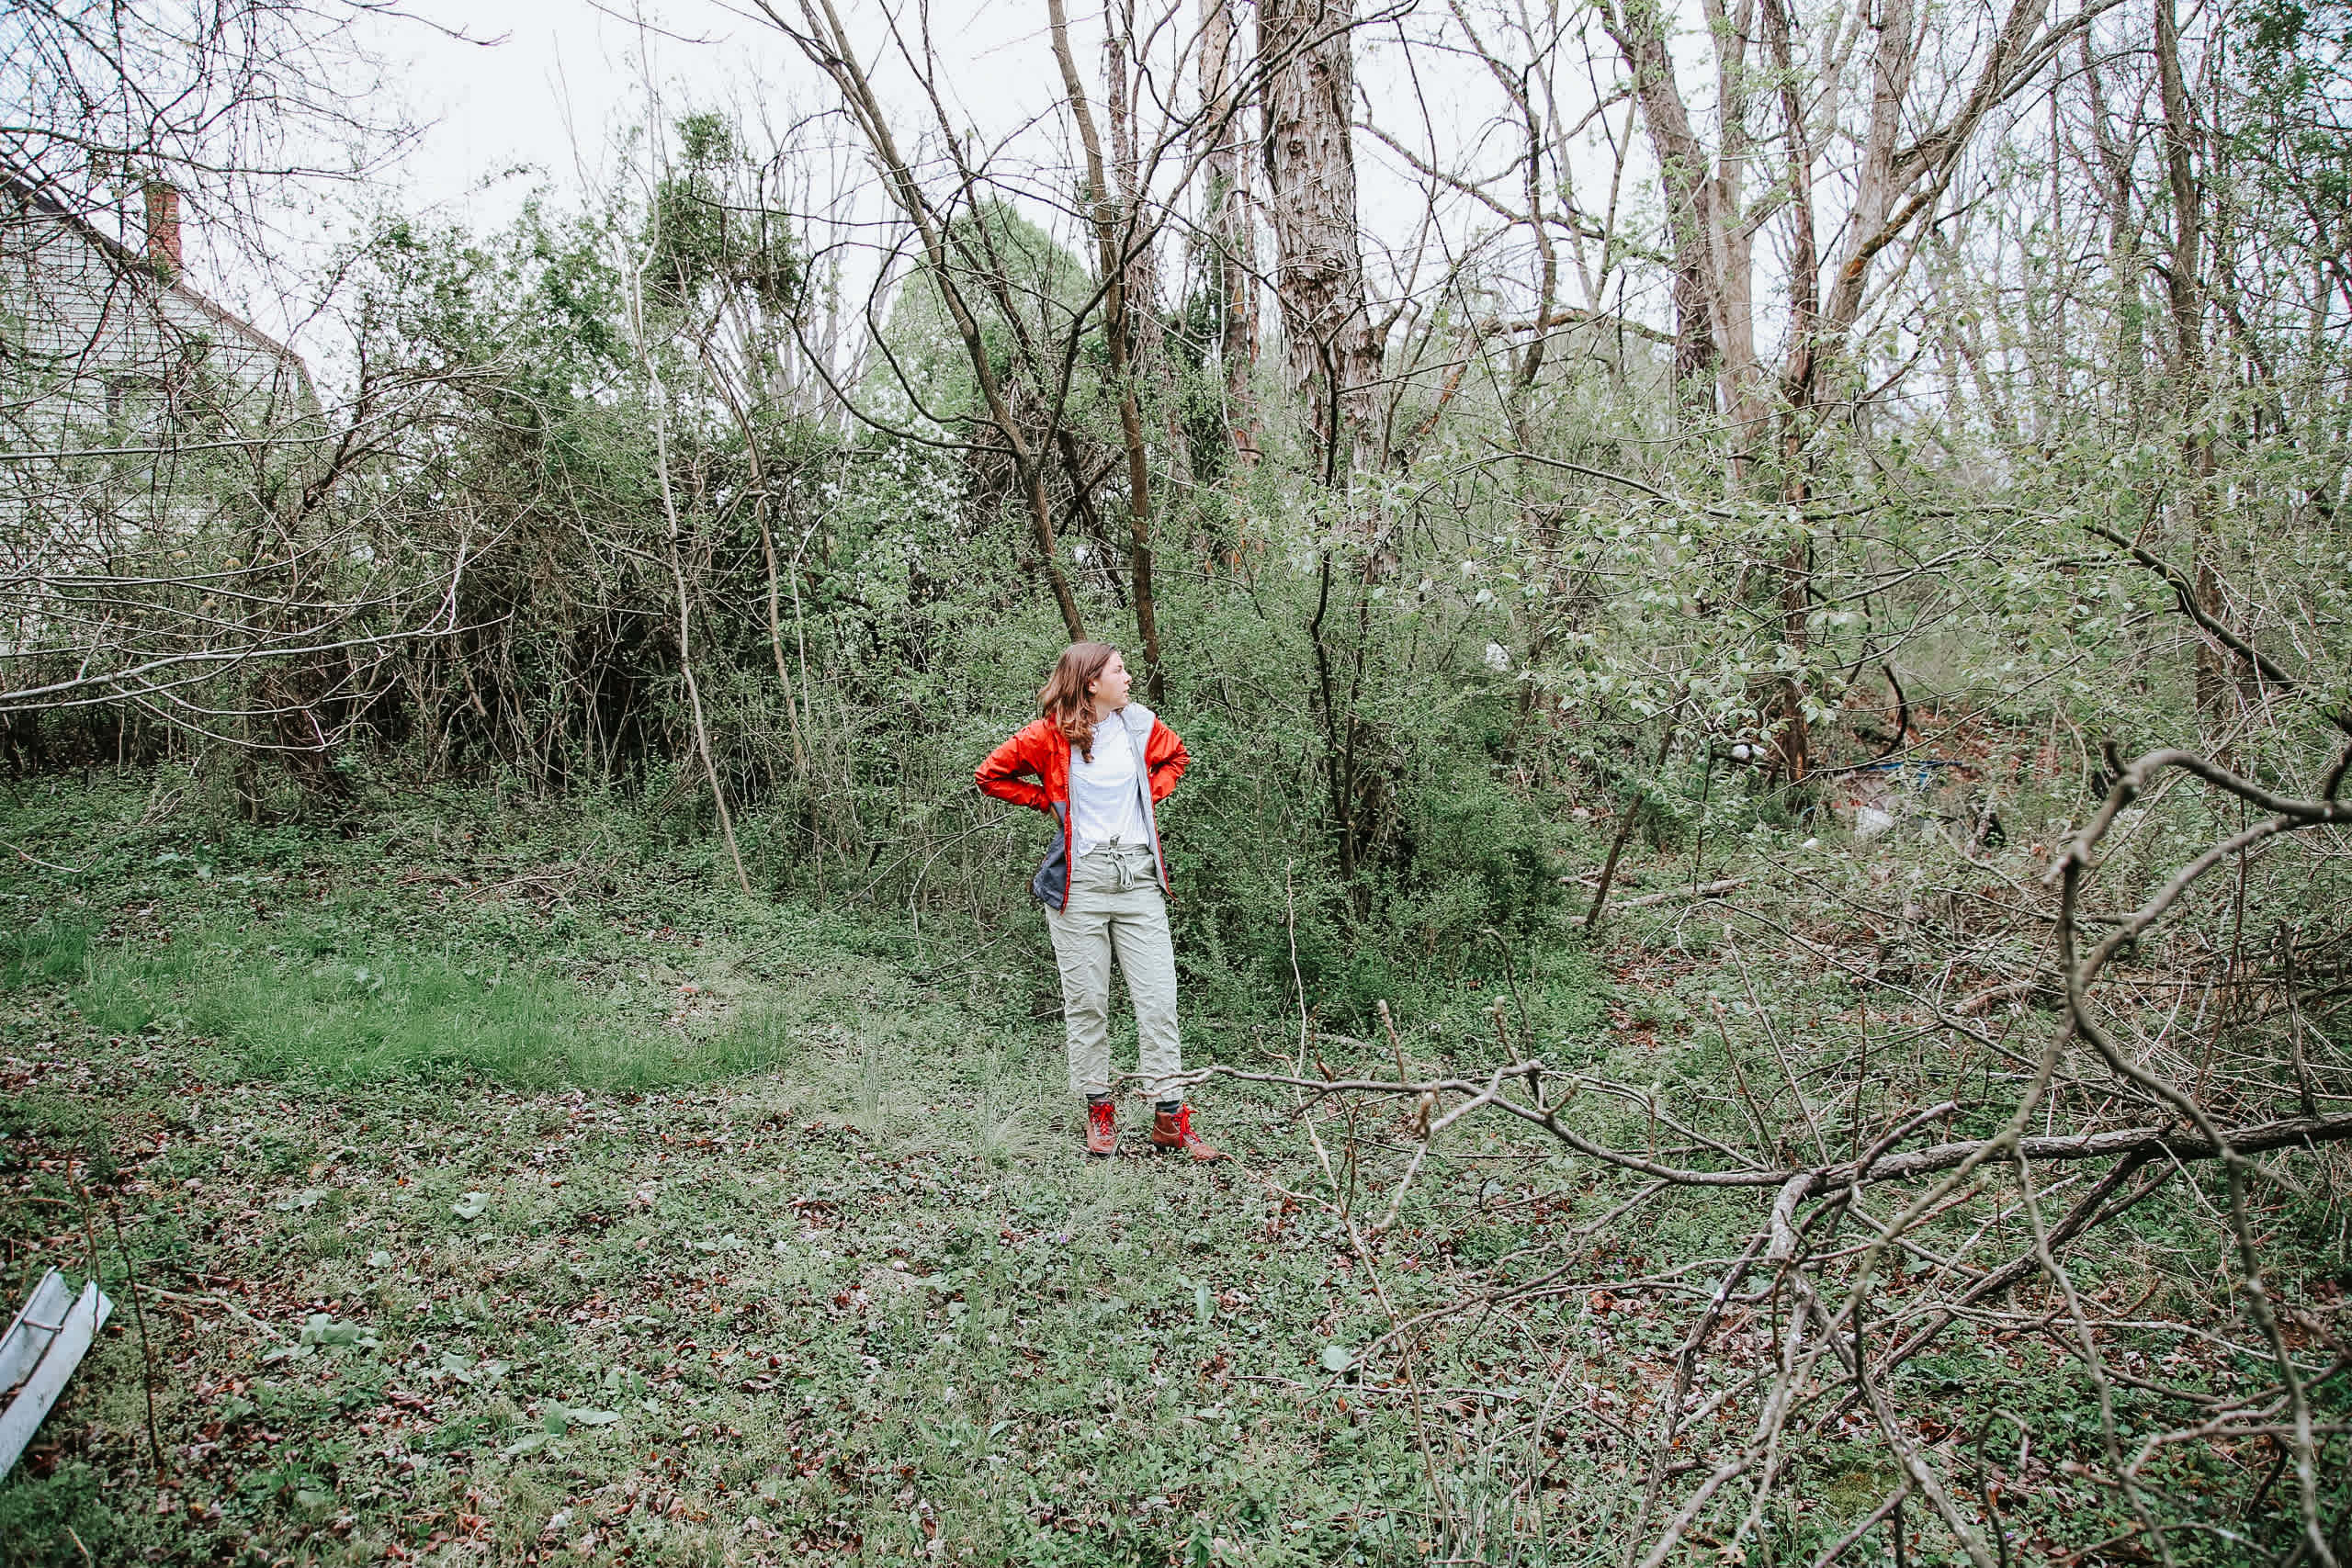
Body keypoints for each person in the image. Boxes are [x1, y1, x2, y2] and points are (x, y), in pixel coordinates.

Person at [975, 642, 1226, 1162]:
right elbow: (990, 775)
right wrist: (1047, 801)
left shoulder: (1140, 725)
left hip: (1138, 878)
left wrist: (1148, 794)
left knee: (1158, 1000)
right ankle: (1099, 1108)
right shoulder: (1047, 735)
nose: (1128, 678)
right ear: (1091, 683)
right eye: (1119, 670)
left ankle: (1169, 1116)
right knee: (1087, 1002)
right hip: (1080, 884)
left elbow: (1176, 757)